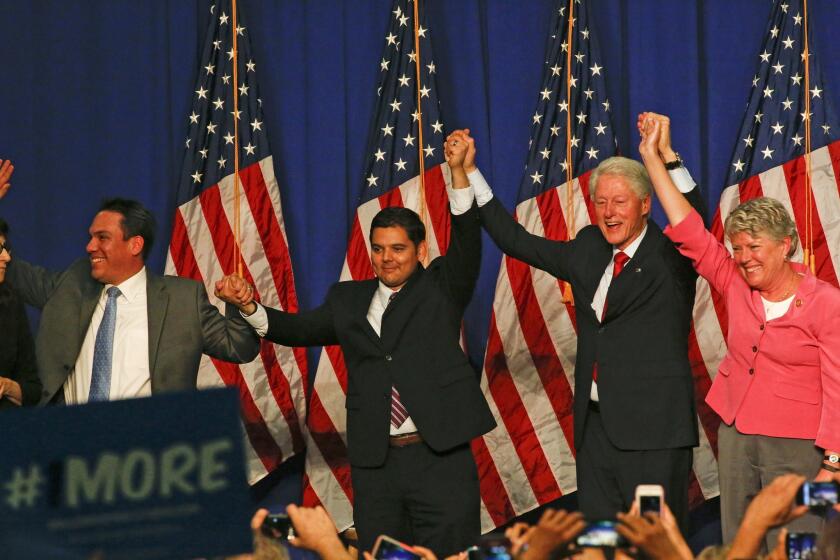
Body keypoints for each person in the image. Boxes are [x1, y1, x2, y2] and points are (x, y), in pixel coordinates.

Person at [215, 139, 495, 556]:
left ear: (420, 251)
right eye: (378, 249)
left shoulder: (441, 287)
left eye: (398, 249)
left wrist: (457, 174)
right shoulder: (347, 299)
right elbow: (296, 329)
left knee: (451, 554)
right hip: (376, 463)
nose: (387, 259)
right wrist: (248, 306)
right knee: (380, 554)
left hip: (440, 457)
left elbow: (468, 241)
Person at [445, 116, 703, 529]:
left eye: (619, 202)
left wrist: (668, 157)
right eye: (600, 202)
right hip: (596, 430)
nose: (608, 212)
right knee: (599, 541)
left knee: (656, 546)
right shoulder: (588, 247)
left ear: (645, 204)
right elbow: (515, 240)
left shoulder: (672, 254)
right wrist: (472, 171)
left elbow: (699, 222)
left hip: (654, 436)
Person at [638, 113, 840, 551]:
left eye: (754, 247)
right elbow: (687, 228)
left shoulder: (826, 302)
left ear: (785, 245)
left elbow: (839, 387)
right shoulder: (733, 280)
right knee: (738, 543)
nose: (743, 258)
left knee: (800, 545)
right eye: (737, 248)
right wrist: (653, 158)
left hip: (800, 446)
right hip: (736, 437)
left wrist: (834, 466)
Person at [0, 162, 260, 404]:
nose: (90, 247)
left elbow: (239, 348)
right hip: (71, 441)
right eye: (91, 237)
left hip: (150, 445)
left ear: (135, 244)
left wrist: (242, 305)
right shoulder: (73, 282)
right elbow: (10, 270)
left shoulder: (183, 299)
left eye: (102, 237)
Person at [0, 217, 42, 409]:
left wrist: (7, 386)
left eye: (5, 249)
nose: (6, 258)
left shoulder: (11, 303)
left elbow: (32, 389)